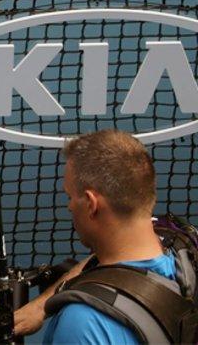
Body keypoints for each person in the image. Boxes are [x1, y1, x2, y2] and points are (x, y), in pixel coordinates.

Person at [14, 129, 195, 343]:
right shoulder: (185, 245)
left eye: (70, 196)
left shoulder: (83, 323)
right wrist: (41, 305)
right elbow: (115, 270)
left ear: (91, 204)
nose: (69, 206)